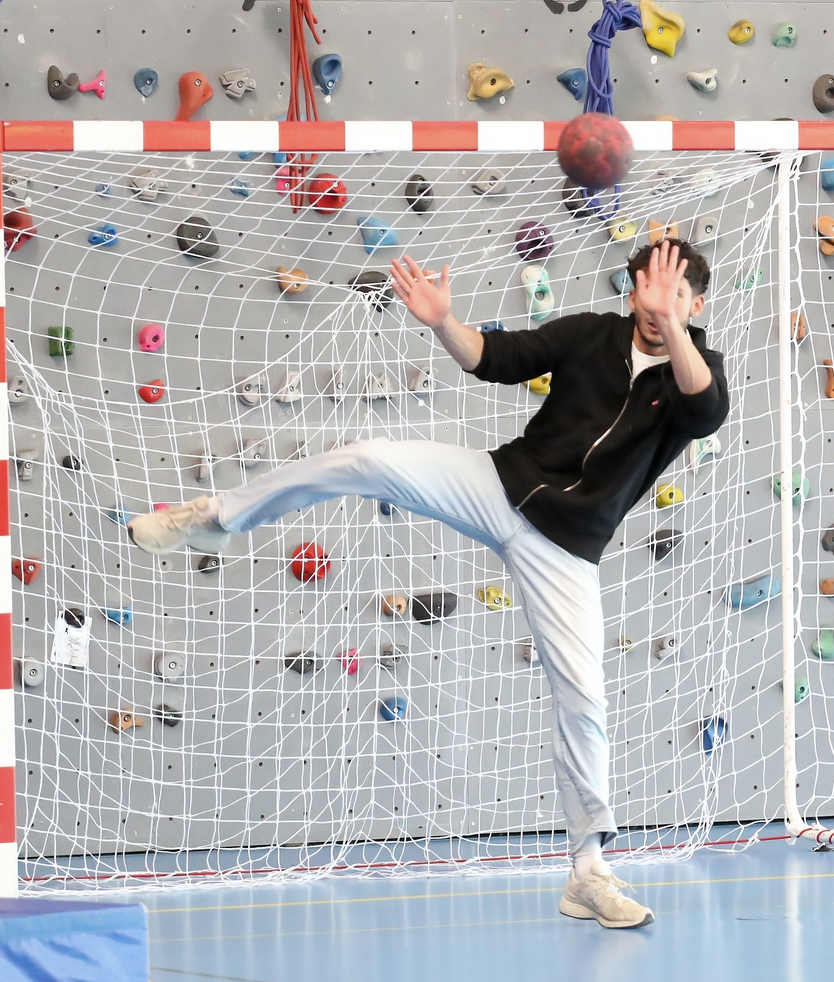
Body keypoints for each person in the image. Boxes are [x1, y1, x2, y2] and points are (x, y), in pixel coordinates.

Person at [126, 239, 728, 929]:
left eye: (674, 296)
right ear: (631, 292)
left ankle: (588, 872)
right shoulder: (592, 333)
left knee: (585, 697)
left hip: (568, 548)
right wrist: (444, 321)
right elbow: (498, 360)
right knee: (367, 458)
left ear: (694, 305)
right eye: (649, 290)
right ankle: (216, 516)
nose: (657, 306)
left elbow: (705, 412)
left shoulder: (695, 369)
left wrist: (673, 328)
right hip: (500, 487)